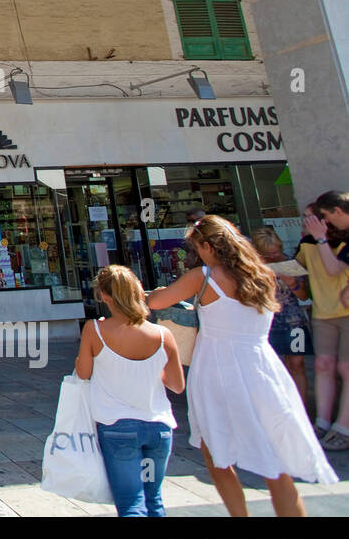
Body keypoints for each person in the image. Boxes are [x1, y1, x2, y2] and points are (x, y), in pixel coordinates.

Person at [147, 215, 337, 516]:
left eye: (198, 248)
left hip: (217, 369)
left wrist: (146, 293)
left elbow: (157, 302)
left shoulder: (204, 276)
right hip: (263, 369)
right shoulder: (262, 274)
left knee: (217, 455)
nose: (198, 254)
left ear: (209, 246)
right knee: (274, 462)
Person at [74, 265, 185, 516]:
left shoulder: (95, 330)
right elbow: (177, 385)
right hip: (159, 426)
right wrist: (149, 369)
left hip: (116, 426)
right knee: (154, 500)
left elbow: (83, 373)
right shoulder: (162, 334)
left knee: (131, 504)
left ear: (104, 296)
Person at [298, 200, 349, 449]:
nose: (306, 222)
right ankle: (322, 422)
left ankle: (343, 427)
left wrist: (320, 239)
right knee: (323, 365)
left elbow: (333, 270)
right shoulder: (305, 244)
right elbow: (299, 270)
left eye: (311, 217)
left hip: (345, 312)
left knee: (346, 369)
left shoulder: (341, 242)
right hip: (321, 312)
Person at [251, 225, 311, 408]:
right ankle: (279, 407)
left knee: (297, 363)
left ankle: (301, 408)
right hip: (267, 325)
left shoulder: (292, 264)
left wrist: (292, 283)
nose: (274, 257)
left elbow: (304, 296)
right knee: (272, 368)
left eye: (277, 252)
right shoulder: (253, 269)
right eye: (268, 255)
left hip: (295, 324)